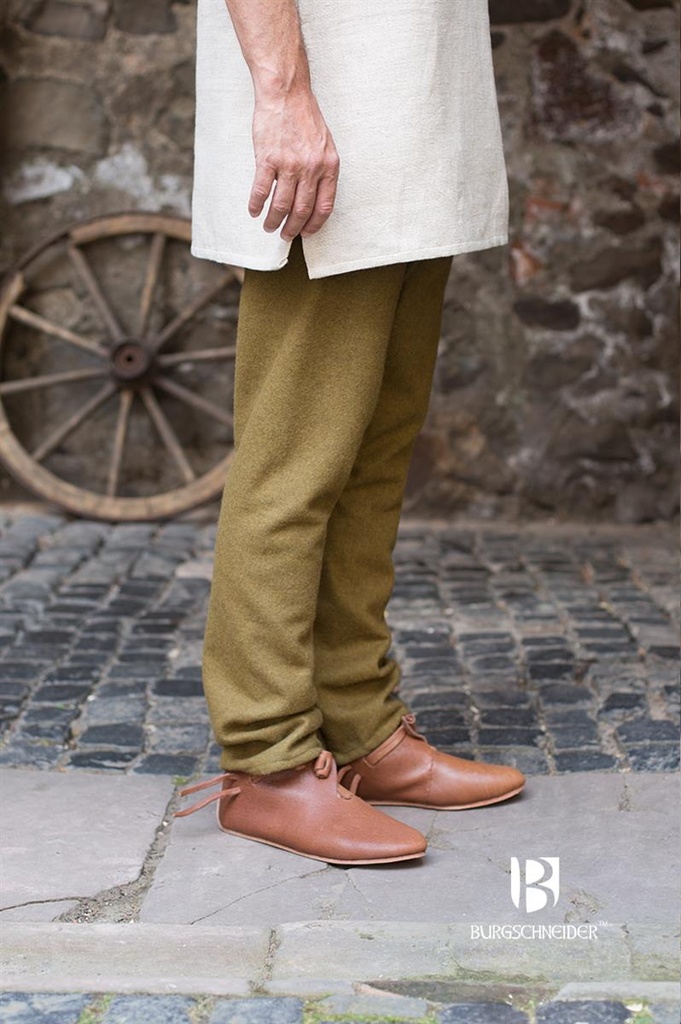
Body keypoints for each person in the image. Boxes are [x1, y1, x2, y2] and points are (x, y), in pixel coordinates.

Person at [176, 0, 526, 865]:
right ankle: (266, 761)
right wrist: (282, 97)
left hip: (412, 117)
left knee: (371, 457)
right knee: (294, 468)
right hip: (331, 118)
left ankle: (360, 724)